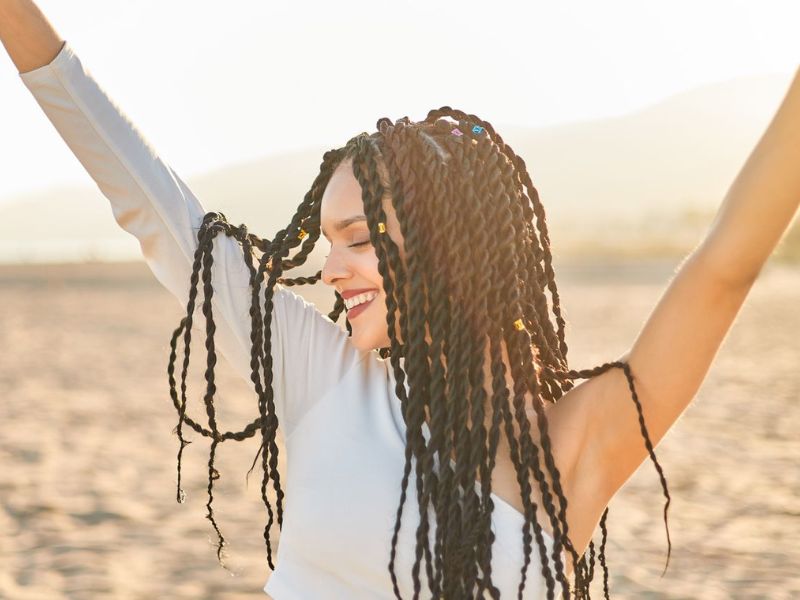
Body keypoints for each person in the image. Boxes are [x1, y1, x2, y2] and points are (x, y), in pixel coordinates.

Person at [3, 2, 799, 598]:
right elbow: (155, 208)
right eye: (325, 239)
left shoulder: (579, 444)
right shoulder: (323, 375)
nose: (331, 266)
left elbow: (722, 267)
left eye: (357, 236)